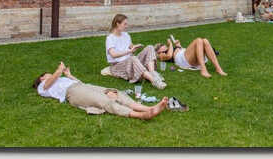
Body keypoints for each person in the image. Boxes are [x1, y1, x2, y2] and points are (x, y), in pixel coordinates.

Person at [33, 63, 181, 119]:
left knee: (114, 92)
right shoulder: (43, 86)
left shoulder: (58, 79)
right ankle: (141, 115)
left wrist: (69, 75)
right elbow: (49, 83)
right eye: (45, 75)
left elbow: (78, 82)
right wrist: (58, 71)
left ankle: (148, 107)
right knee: (104, 101)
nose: (48, 75)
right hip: (72, 93)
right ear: (41, 79)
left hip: (82, 86)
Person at [100, 13, 165, 88]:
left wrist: (134, 47)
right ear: (117, 24)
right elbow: (113, 54)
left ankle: (153, 73)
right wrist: (129, 51)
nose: (126, 26)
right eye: (125, 24)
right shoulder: (110, 38)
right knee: (132, 58)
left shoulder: (126, 35)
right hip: (118, 66)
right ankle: (154, 81)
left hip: (130, 61)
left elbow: (131, 47)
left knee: (150, 47)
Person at [158, 34, 227, 77]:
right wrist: (170, 44)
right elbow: (169, 56)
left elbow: (180, 49)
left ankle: (218, 69)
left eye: (162, 45)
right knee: (198, 40)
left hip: (186, 54)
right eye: (161, 46)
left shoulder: (171, 48)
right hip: (183, 59)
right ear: (159, 51)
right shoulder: (161, 55)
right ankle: (203, 70)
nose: (163, 46)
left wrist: (178, 44)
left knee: (205, 40)